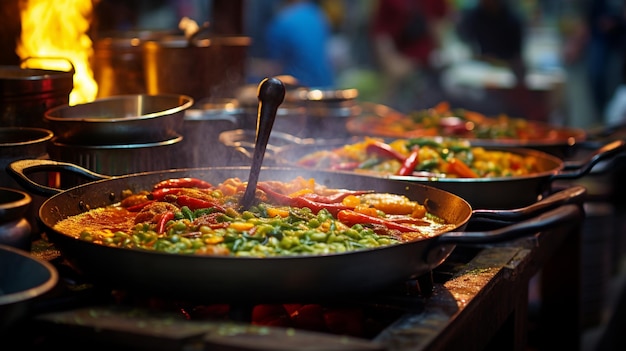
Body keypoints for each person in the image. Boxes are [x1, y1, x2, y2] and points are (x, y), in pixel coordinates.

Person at [370, 0, 450, 111]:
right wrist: (391, 61)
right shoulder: (390, 3)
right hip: (401, 64)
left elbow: (441, 24)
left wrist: (442, 52)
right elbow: (382, 35)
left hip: (431, 64)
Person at [262, 0, 335, 88]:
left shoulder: (281, 23)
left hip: (298, 92)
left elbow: (275, 69)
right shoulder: (319, 15)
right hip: (326, 89)